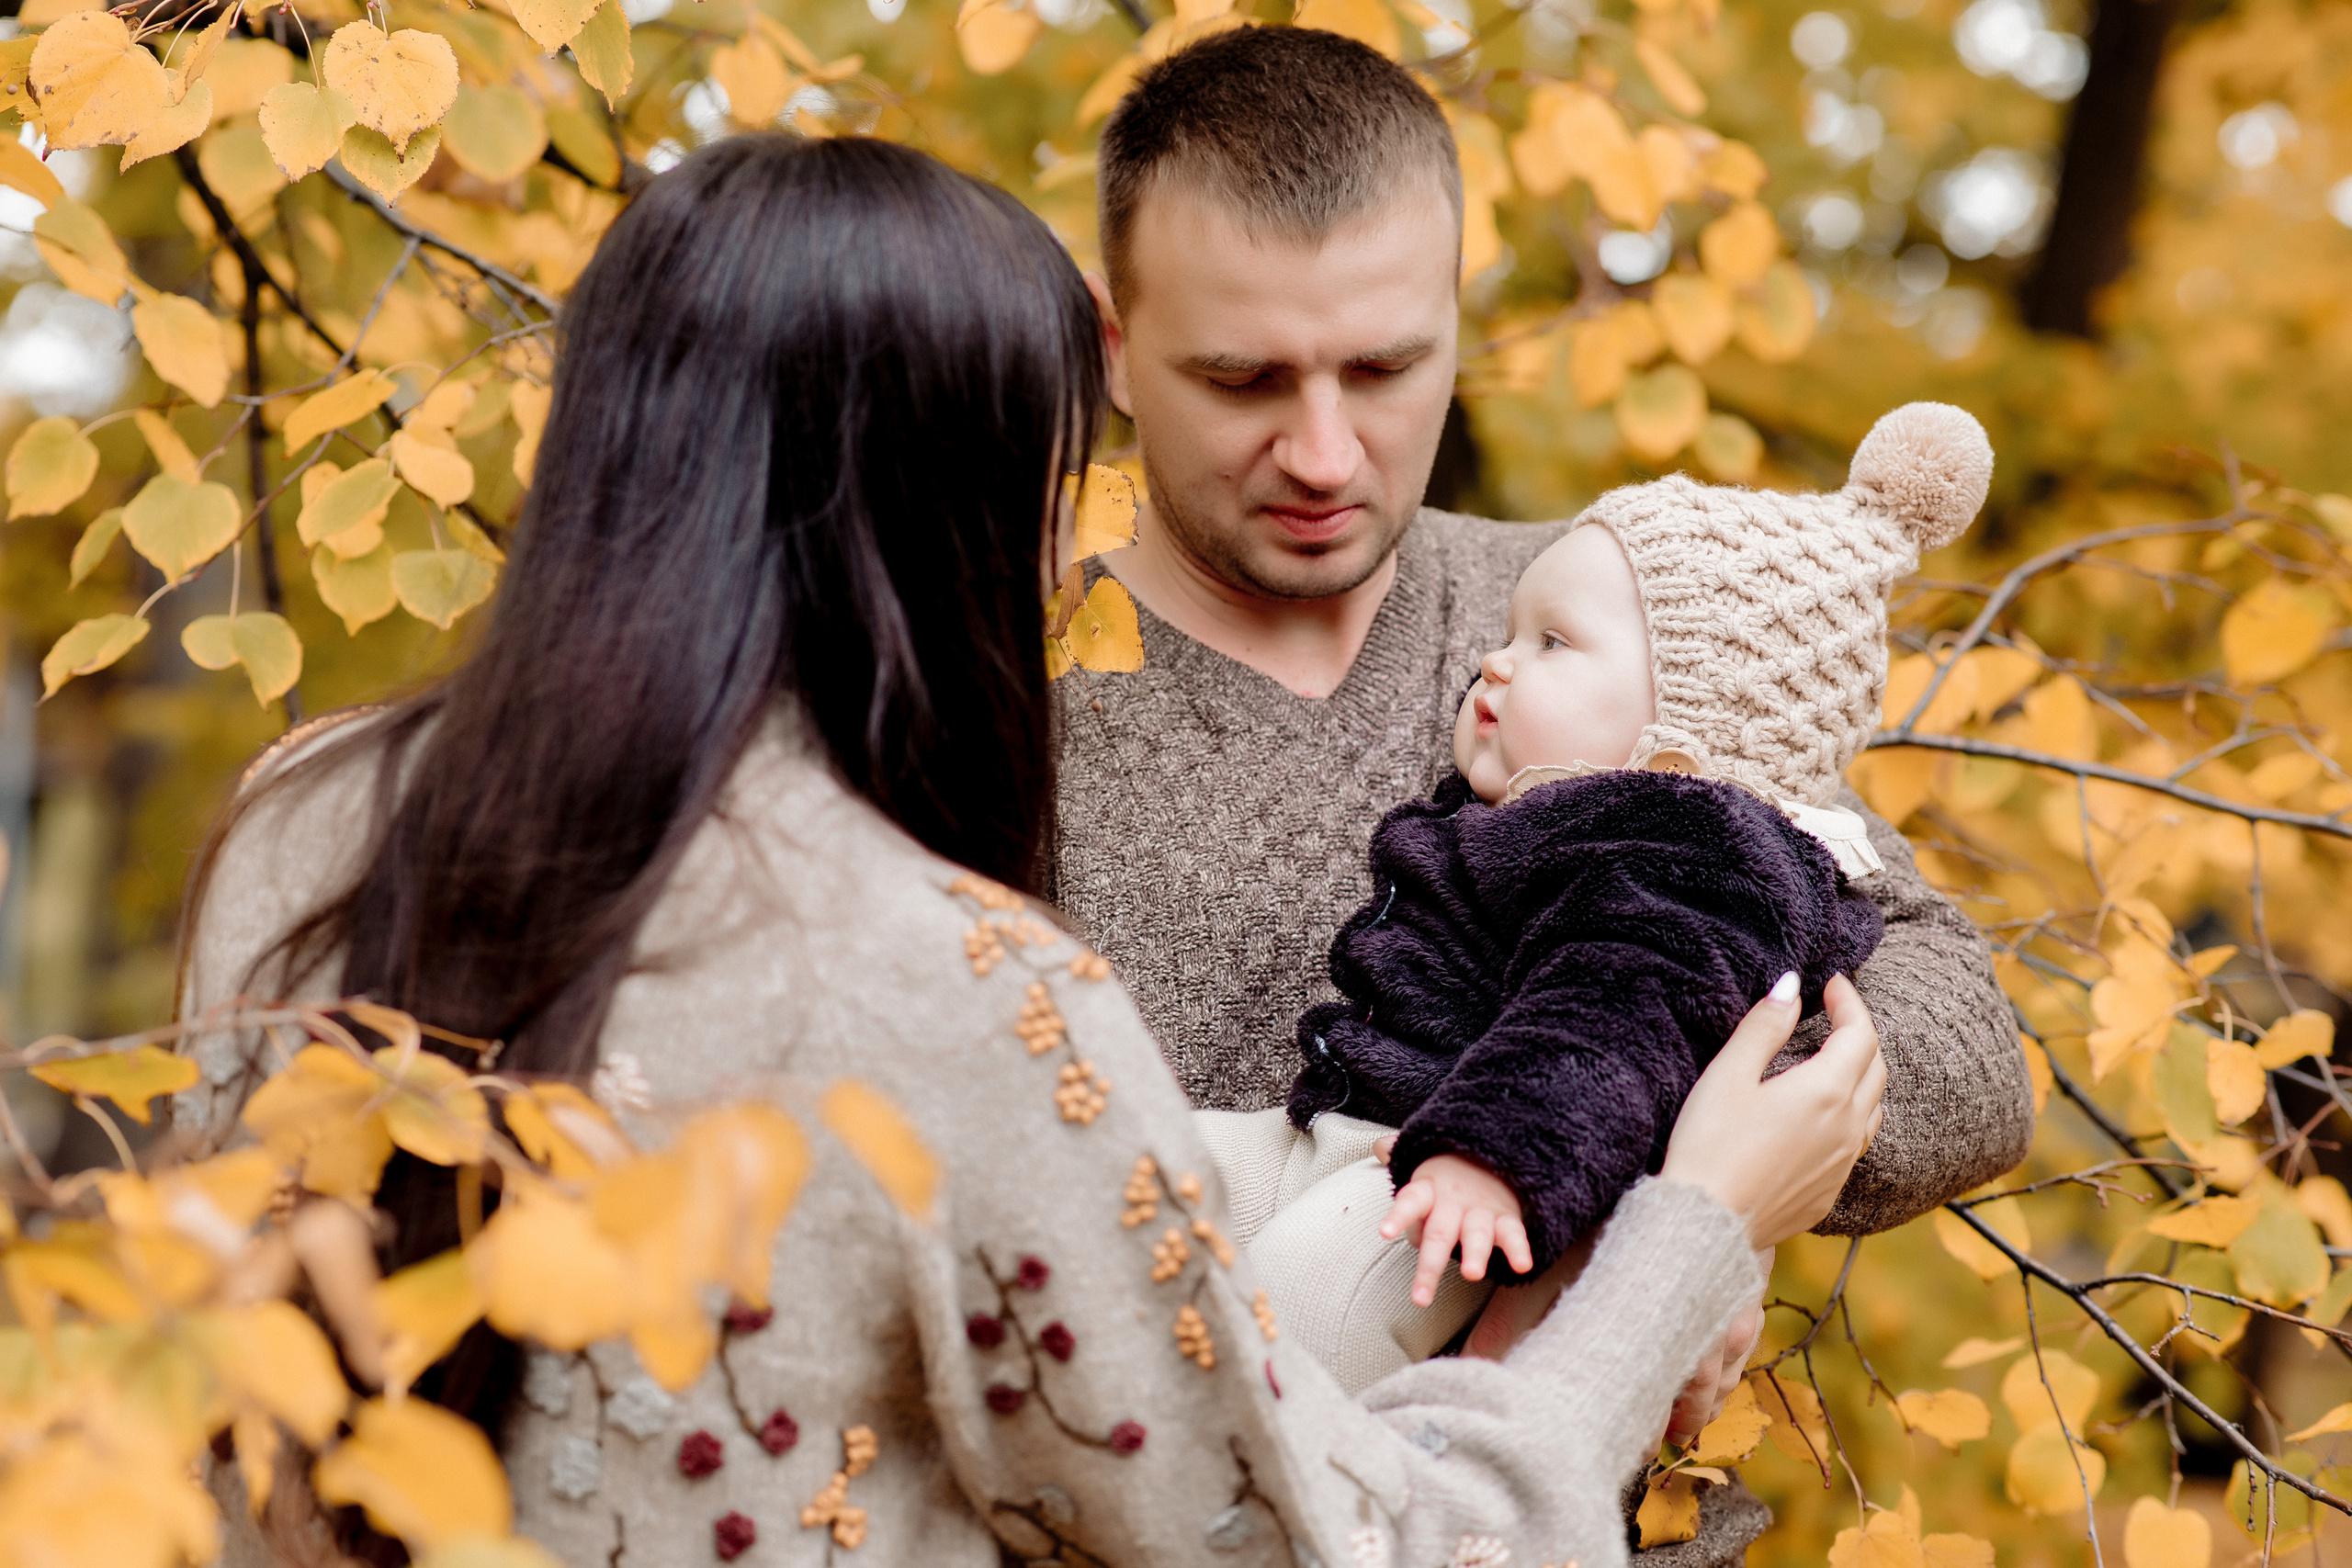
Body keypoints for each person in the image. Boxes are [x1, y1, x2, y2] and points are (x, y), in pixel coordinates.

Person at [175, 135, 1884, 1568]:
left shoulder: (307, 820)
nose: (1070, 560)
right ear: (945, 516)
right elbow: (1368, 1547)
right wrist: (1692, 1228)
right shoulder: (960, 992)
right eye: (1057, 486)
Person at [1050, 28, 2034, 1549]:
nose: (1324, 450)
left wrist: (1657, 1213)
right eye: (1245, 377)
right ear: (1115, 344)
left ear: (1455, 317)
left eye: (1383, 368)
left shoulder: (1593, 610)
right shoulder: (993, 685)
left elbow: (1960, 1042)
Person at [1204, 404, 1989, 1396]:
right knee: (1130, 1163)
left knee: (1297, 1317)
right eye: (1511, 632)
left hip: (1467, 1190)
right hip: (1349, 1140)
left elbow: (1617, 1011)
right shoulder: (1564, 810)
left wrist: (1497, 1159)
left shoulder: (1683, 854)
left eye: (1552, 644)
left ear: (1676, 746)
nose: (1495, 661)